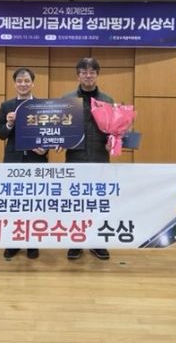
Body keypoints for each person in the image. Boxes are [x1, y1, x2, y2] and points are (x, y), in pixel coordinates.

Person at [63, 57, 113, 261]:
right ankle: (75, 242)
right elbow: (59, 128)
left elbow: (113, 130)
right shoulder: (67, 99)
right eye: (84, 72)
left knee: (98, 202)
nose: (88, 75)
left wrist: (113, 141)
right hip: (75, 158)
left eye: (92, 72)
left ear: (97, 75)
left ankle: (97, 242)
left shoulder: (107, 100)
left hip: (100, 158)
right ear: (78, 76)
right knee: (76, 203)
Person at [0, 67, 48, 260]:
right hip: (14, 161)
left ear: (32, 83)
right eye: (19, 81)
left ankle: (33, 243)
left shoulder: (42, 106)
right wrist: (9, 124)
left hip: (37, 161)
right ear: (15, 84)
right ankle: (13, 242)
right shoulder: (6, 106)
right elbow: (1, 134)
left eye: (27, 81)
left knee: (35, 204)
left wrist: (45, 149)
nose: (23, 84)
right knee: (14, 204)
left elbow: (50, 132)